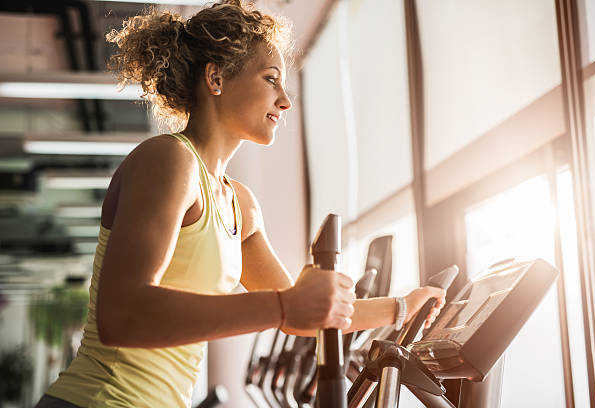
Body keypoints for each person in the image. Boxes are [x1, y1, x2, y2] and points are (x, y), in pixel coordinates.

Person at [35, 1, 446, 407]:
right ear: (215, 77)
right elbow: (121, 316)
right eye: (271, 79)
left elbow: (307, 316)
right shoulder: (168, 160)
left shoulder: (240, 204)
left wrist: (402, 307)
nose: (286, 101)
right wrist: (285, 306)